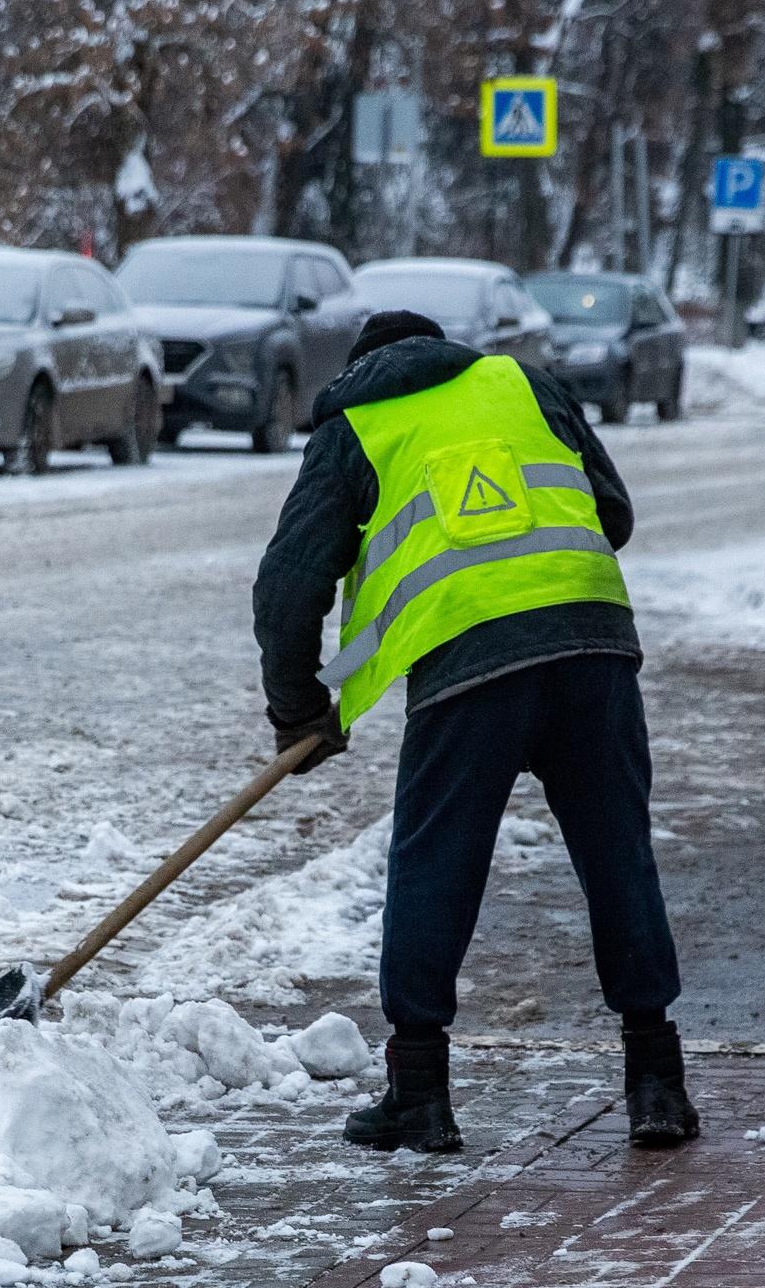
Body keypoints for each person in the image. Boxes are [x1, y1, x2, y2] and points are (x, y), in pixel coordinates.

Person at [252, 310, 694, 1152]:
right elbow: (613, 511)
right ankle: (657, 1085)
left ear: (363, 368)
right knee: (618, 856)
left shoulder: (355, 424)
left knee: (434, 866)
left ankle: (419, 1095)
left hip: (471, 669)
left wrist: (300, 708)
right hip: (593, 645)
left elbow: (286, 587)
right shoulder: (524, 383)